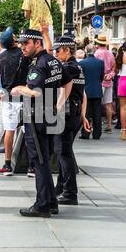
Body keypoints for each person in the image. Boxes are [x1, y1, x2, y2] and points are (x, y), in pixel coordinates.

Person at [11, 29, 72, 218]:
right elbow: (68, 82)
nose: (23, 47)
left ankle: (43, 204)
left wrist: (20, 88)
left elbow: (35, 92)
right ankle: (51, 202)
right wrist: (58, 105)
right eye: (21, 44)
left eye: (26, 43)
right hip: (48, 115)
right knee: (44, 158)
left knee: (39, 161)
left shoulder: (39, 64)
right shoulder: (54, 61)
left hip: (36, 116)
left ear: (37, 43)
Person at [0, 27, 31, 176]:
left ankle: (7, 164)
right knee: (28, 131)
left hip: (7, 98)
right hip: (25, 96)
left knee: (9, 131)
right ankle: (31, 166)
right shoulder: (24, 54)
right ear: (13, 40)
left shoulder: (0, 57)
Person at [52, 36, 90, 205]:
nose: (55, 54)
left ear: (67, 50)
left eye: (57, 51)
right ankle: (60, 188)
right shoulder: (78, 68)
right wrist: (83, 115)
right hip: (74, 114)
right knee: (63, 152)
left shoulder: (69, 67)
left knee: (63, 153)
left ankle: (70, 193)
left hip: (67, 115)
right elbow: (83, 94)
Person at [79, 44, 104, 140]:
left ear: (86, 51)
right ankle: (97, 134)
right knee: (97, 113)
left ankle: (86, 132)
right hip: (97, 90)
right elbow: (101, 76)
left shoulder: (82, 63)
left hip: (86, 90)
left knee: (86, 113)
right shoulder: (100, 63)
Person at [94, 34, 115, 134]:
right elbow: (114, 68)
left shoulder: (97, 53)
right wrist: (110, 75)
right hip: (109, 80)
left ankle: (95, 124)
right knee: (108, 104)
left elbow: (96, 67)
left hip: (100, 80)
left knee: (97, 103)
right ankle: (109, 125)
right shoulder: (110, 53)